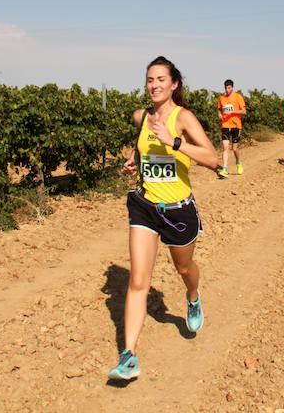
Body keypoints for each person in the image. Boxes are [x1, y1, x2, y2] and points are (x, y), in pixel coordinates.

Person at [110, 56, 219, 381]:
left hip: (178, 211)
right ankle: (129, 356)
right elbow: (143, 145)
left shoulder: (183, 118)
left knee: (184, 268)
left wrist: (174, 141)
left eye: (160, 79)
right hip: (144, 206)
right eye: (149, 79)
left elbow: (212, 159)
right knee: (138, 280)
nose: (154, 85)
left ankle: (193, 297)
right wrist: (135, 159)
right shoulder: (143, 117)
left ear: (174, 84)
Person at [216, 79, 246, 178]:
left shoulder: (238, 97)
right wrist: (220, 114)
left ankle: (238, 162)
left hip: (236, 125)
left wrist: (232, 112)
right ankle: (224, 169)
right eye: (226, 88)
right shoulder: (222, 98)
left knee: (234, 148)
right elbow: (219, 109)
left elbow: (244, 111)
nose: (227, 90)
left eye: (229, 88)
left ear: (232, 87)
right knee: (225, 147)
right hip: (225, 125)